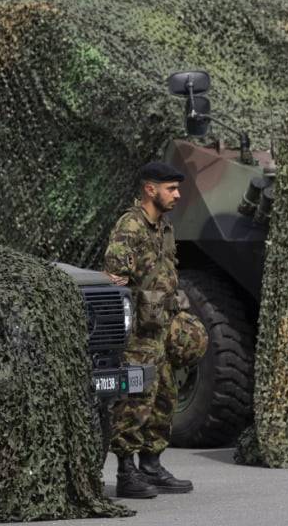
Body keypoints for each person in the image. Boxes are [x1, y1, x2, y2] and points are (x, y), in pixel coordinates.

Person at [104, 161, 205, 499]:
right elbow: (115, 277)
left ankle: (152, 464)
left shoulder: (164, 227)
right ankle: (126, 471)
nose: (177, 194)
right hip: (139, 334)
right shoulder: (130, 227)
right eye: (171, 189)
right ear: (151, 190)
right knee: (136, 399)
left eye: (178, 188)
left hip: (161, 326)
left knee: (165, 397)